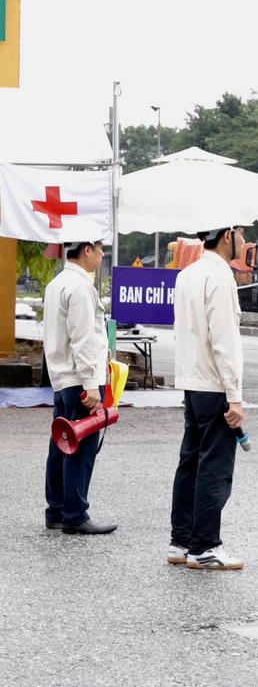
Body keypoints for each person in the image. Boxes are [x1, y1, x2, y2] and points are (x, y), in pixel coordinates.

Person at [170, 225, 247, 570]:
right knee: (214, 467)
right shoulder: (220, 277)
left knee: (190, 462)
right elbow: (224, 340)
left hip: (192, 380)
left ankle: (181, 540)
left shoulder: (187, 274)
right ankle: (204, 546)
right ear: (228, 235)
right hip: (215, 383)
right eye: (242, 234)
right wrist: (235, 396)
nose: (245, 241)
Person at [43, 227, 114, 535]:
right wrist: (91, 384)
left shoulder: (56, 284)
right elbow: (83, 339)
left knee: (59, 445)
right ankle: (75, 514)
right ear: (86, 249)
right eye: (100, 249)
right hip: (79, 379)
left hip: (61, 378)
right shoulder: (81, 287)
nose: (101, 255)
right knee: (80, 447)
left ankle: (56, 510)